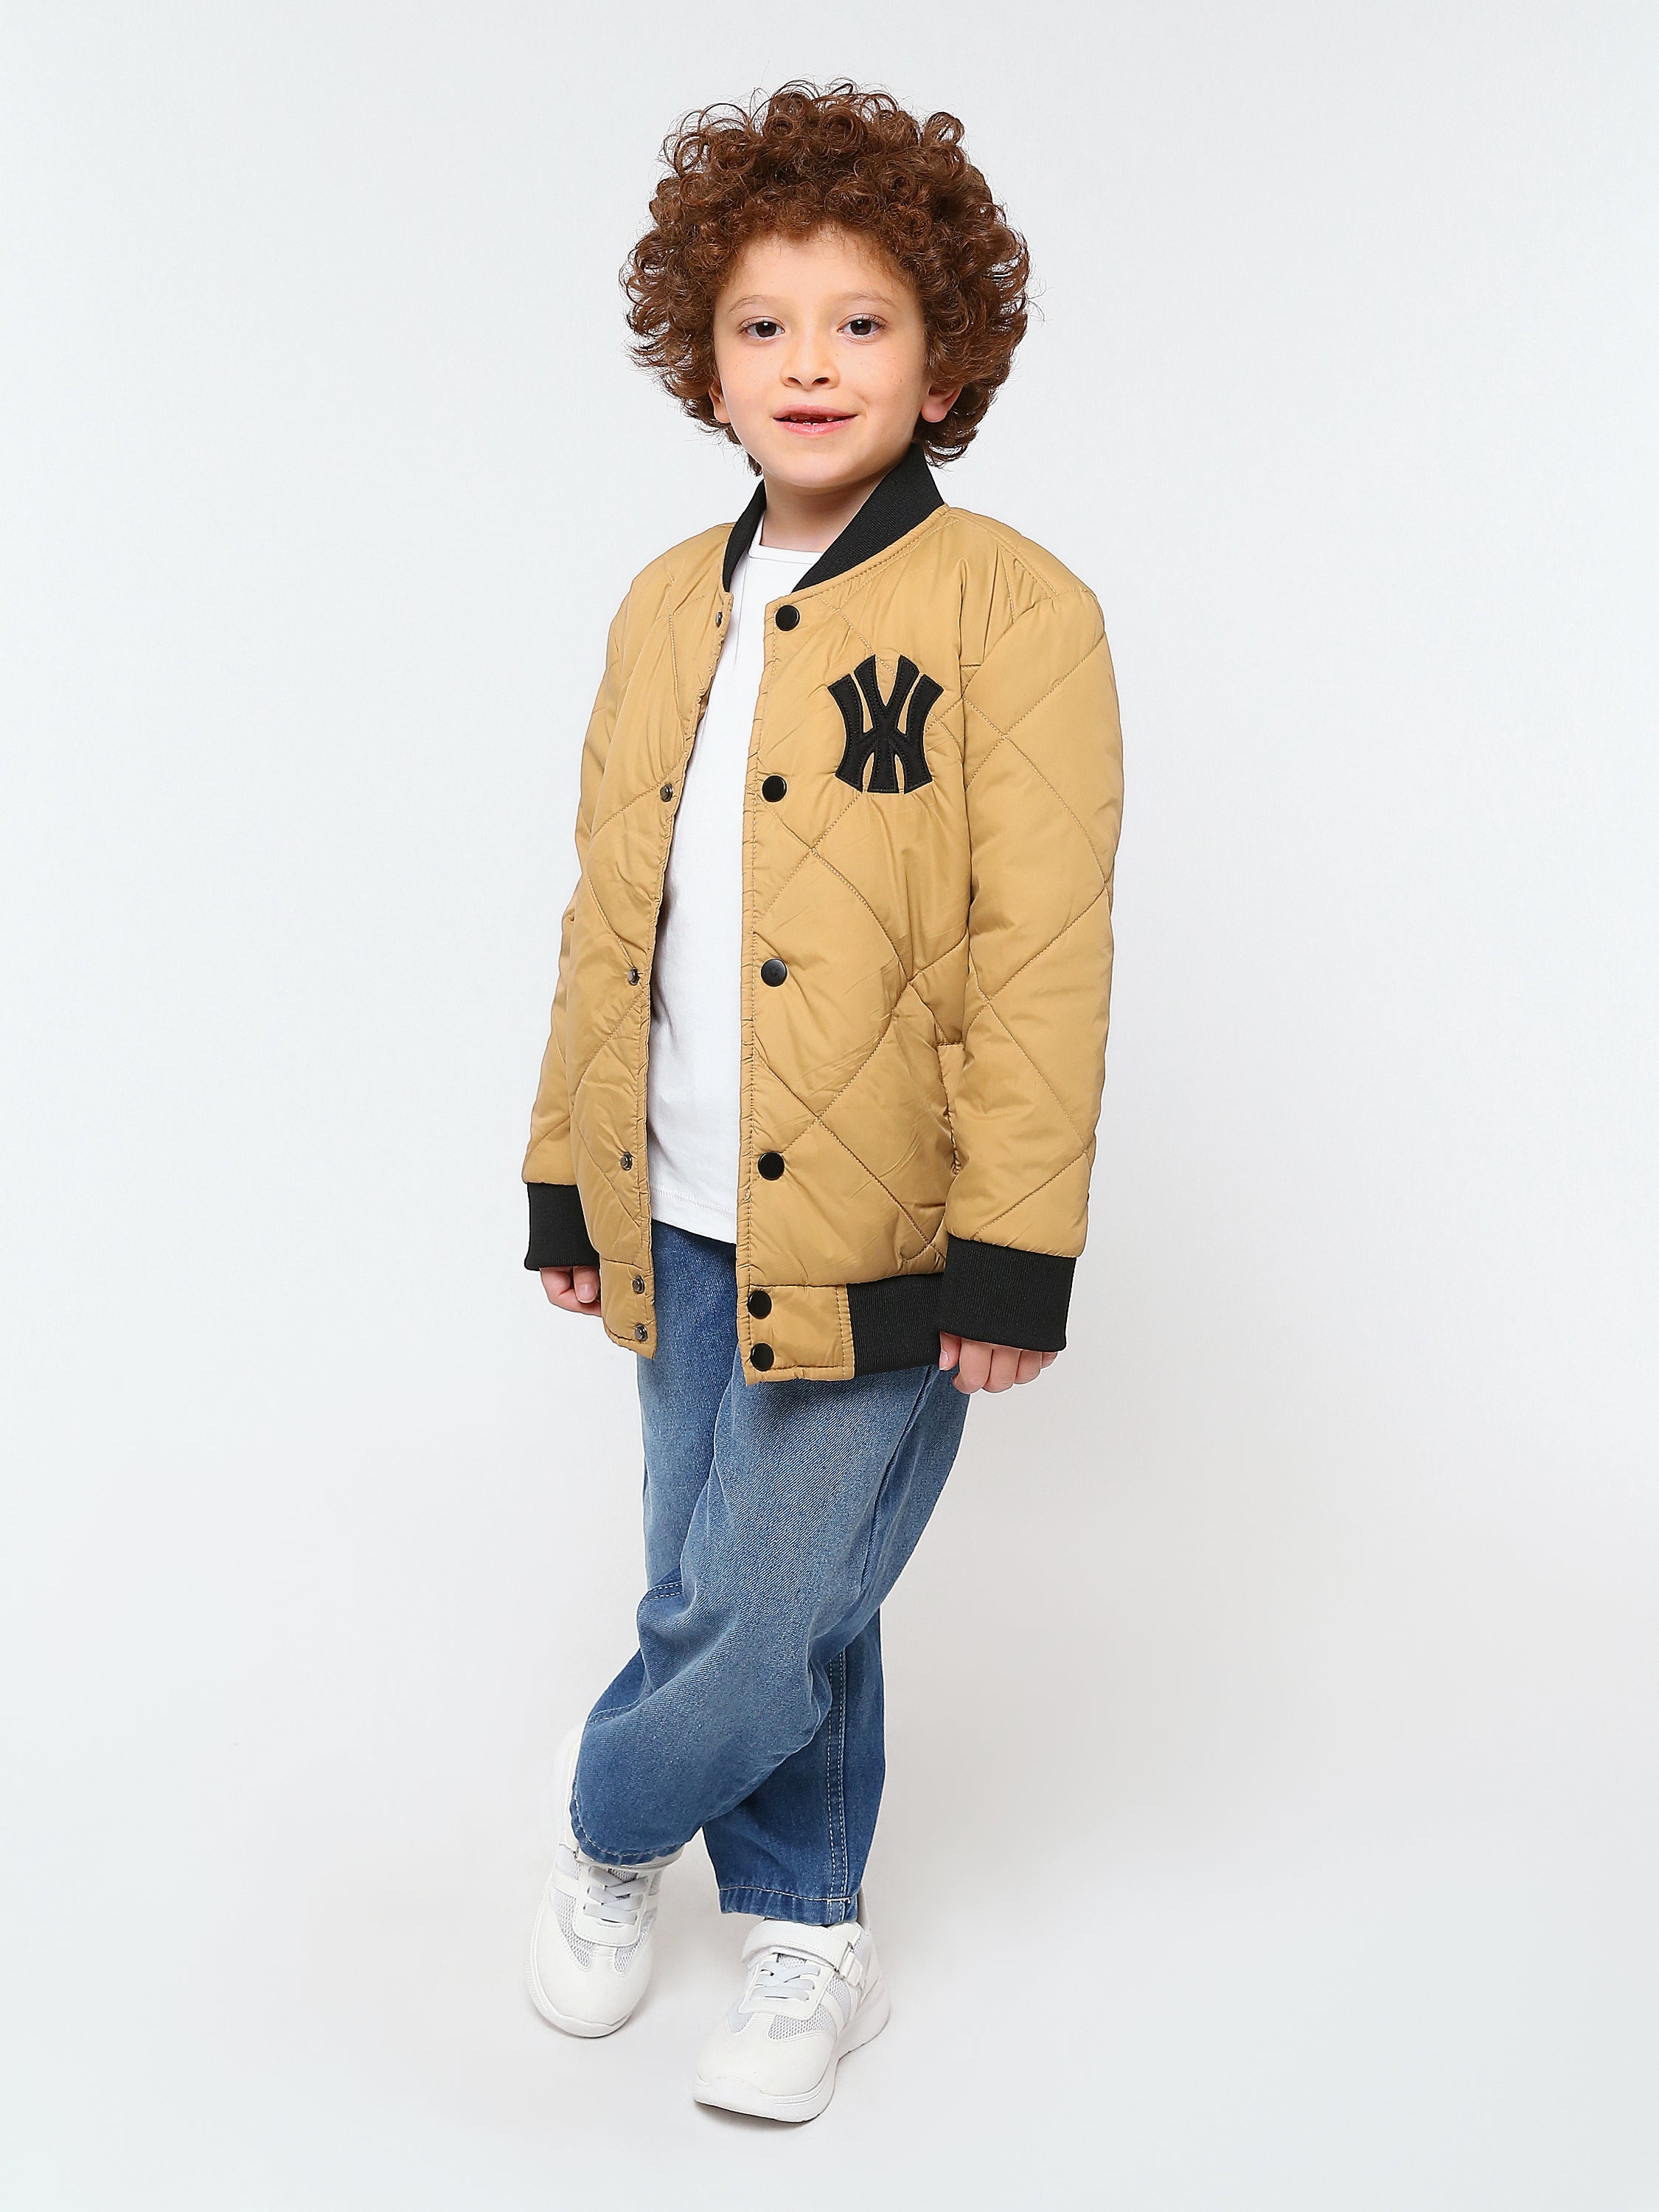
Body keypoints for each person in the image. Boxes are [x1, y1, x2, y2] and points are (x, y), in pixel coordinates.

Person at [520, 80, 1124, 2124]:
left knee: (757, 1598)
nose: (808, 362)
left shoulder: (1015, 612)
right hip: (672, 1202)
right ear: (703, 359)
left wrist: (1014, 1249)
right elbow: (606, 915)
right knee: (759, 1593)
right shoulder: (658, 604)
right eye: (762, 323)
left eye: (861, 322)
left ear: (944, 358)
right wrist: (566, 1178)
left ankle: (608, 1822)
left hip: (886, 1224)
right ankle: (805, 1928)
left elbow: (1044, 954)